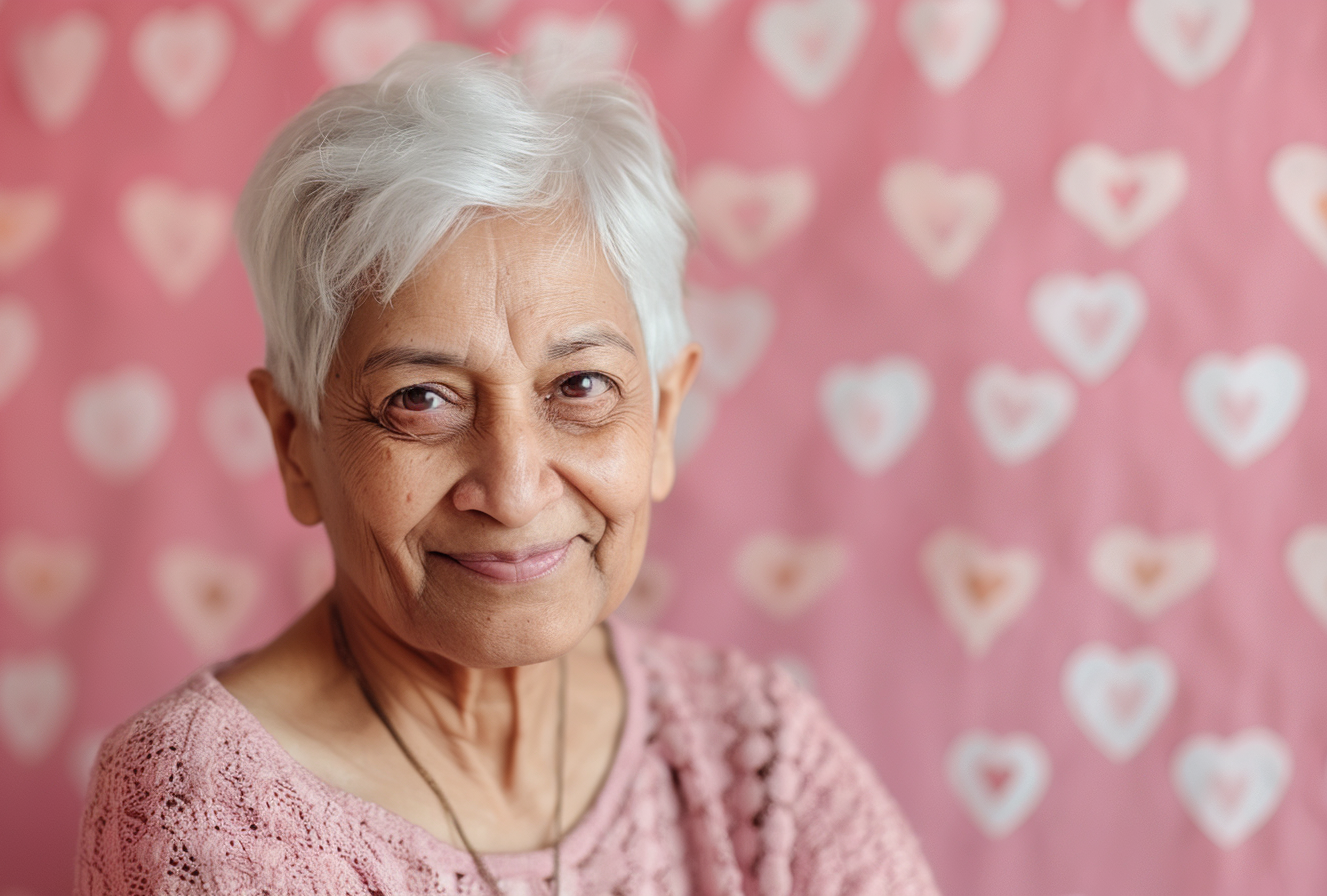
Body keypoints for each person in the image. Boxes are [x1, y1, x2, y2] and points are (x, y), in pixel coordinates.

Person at [74, 43, 940, 896]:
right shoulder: (207, 803)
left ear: (665, 418)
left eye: (580, 386)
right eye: (421, 400)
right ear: (295, 444)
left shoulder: (754, 752)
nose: (516, 486)